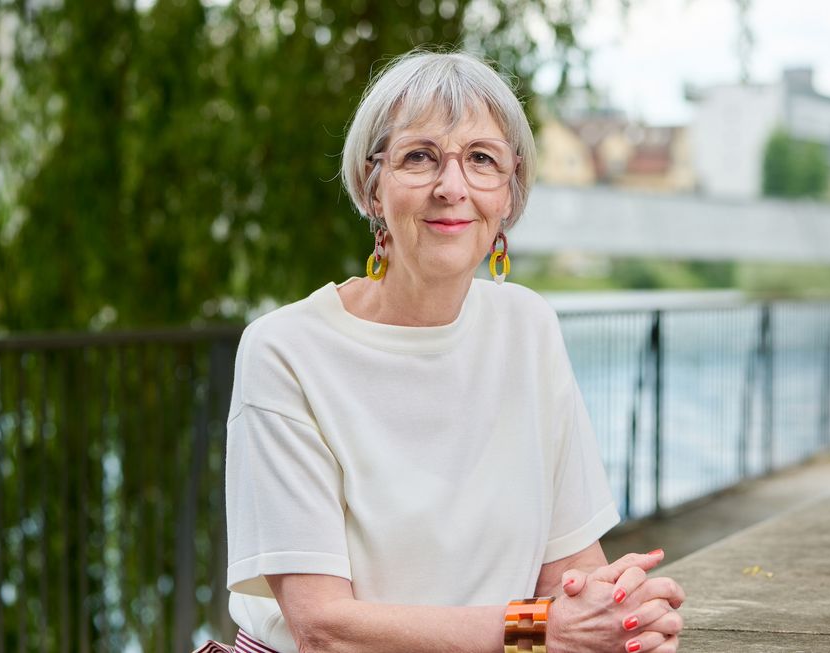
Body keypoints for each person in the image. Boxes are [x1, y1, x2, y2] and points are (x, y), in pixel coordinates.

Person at [198, 50, 685, 653]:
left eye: (482, 159)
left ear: (509, 195)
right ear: (372, 189)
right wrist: (540, 630)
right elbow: (323, 628)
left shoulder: (528, 327)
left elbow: (569, 579)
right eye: (419, 157)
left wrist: (619, 612)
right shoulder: (285, 352)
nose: (451, 187)